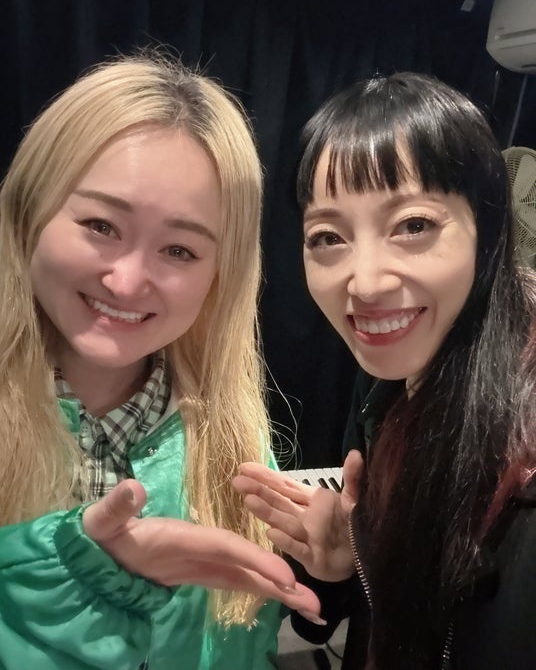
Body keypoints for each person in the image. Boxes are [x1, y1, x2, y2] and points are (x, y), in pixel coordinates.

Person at [0, 52, 321, 670]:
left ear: (221, 273)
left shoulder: (234, 443)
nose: (126, 282)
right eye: (101, 225)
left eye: (179, 250)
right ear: (29, 213)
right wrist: (62, 571)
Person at [233, 72, 536, 670]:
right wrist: (347, 566)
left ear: (489, 231)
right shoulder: (388, 387)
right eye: (328, 237)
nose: (365, 284)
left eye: (413, 226)